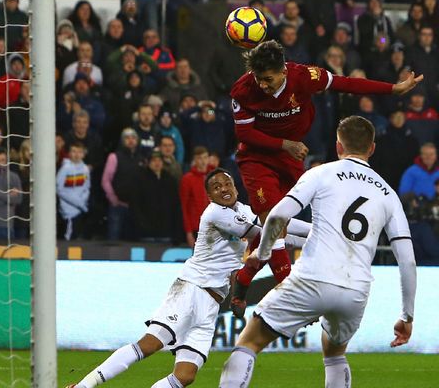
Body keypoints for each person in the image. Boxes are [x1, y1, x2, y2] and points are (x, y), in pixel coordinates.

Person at [219, 116, 416, 387]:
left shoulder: (321, 173)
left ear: (338, 146)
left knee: (249, 341)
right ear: (372, 148)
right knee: (334, 351)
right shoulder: (388, 194)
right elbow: (407, 261)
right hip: (355, 290)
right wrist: (407, 316)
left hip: (312, 277)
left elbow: (277, 217)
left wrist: (261, 255)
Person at [228, 40, 422, 316]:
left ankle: (244, 278)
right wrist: (285, 143)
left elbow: (347, 84)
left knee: (275, 227)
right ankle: (289, 295)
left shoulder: (304, 77)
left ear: (283, 71)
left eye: (268, 80)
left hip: (291, 155)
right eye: (259, 80)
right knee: (274, 217)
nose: (263, 86)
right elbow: (244, 134)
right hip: (257, 156)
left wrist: (393, 89)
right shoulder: (243, 89)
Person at [67, 168, 309, 388]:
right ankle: (83, 386)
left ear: (235, 187)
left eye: (227, 184)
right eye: (216, 187)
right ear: (209, 196)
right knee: (150, 344)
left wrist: (318, 233)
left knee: (185, 375)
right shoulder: (215, 214)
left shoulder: (244, 211)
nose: (223, 189)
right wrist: (303, 233)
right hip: (190, 289)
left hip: (212, 302)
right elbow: (268, 232)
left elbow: (281, 226)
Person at [57, 142, 91, 240]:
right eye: (74, 151)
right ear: (69, 153)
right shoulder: (65, 168)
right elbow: (59, 189)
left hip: (80, 209)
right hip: (68, 209)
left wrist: (82, 201)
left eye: (79, 152)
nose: (76, 154)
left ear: (84, 154)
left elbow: (87, 187)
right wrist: (78, 202)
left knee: (76, 235)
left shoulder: (85, 169)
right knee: (68, 236)